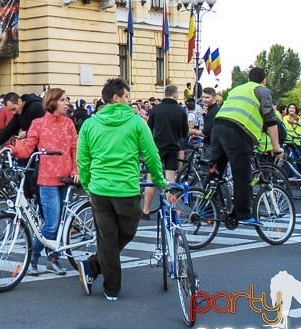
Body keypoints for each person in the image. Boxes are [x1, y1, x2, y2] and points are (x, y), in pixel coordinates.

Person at [76, 78, 165, 301]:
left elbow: (83, 159)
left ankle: (97, 269)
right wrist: (159, 180)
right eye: (127, 96)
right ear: (117, 97)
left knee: (107, 238)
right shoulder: (136, 123)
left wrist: (87, 183)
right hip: (125, 188)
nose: (130, 101)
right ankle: (110, 286)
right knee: (126, 232)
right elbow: (152, 155)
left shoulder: (90, 124)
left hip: (99, 189)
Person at [11, 88, 78, 275]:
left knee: (61, 224)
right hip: (47, 179)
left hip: (68, 178)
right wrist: (12, 149)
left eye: (67, 99)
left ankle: (53, 259)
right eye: (63, 100)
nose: (67, 103)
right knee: (51, 224)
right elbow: (27, 149)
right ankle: (32, 256)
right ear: (53, 102)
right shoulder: (38, 123)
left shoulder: (69, 123)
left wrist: (76, 169)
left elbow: (75, 149)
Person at [208, 66, 282, 226]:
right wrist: (276, 146)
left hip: (218, 127)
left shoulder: (237, 89)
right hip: (238, 133)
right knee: (241, 175)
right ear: (264, 80)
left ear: (249, 79)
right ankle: (243, 214)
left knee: (216, 170)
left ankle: (208, 205)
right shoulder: (262, 90)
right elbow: (270, 119)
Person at [143, 84, 188, 218]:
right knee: (170, 179)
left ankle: (145, 210)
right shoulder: (180, 111)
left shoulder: (156, 110)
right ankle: (170, 211)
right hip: (173, 148)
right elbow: (184, 132)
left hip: (156, 148)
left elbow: (148, 130)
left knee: (151, 178)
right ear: (175, 94)